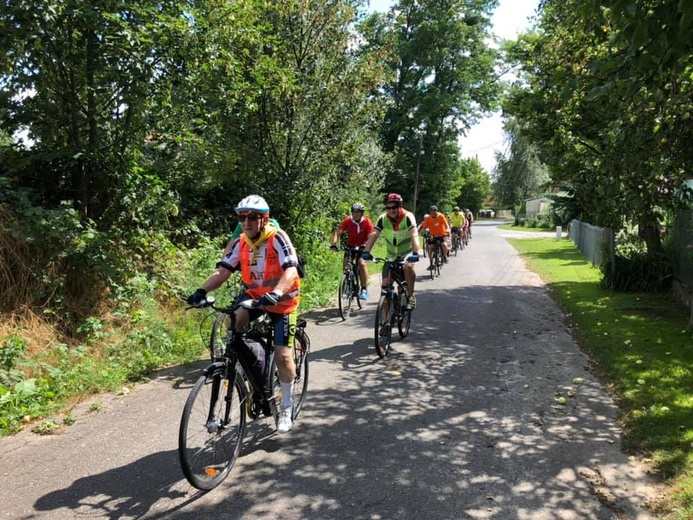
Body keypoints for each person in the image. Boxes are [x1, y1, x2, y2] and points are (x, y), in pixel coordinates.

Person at [187, 195, 301, 434]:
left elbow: (291, 269)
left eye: (252, 217)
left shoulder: (277, 238)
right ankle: (247, 364)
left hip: (282, 302)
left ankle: (287, 407)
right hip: (255, 296)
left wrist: (278, 292)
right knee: (234, 320)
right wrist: (201, 290)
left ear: (264, 219)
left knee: (283, 357)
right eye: (242, 217)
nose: (246, 222)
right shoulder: (241, 243)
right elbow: (223, 271)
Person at [361, 193, 420, 310]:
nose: (391, 210)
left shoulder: (408, 217)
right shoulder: (383, 218)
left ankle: (411, 295)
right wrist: (366, 251)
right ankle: (386, 324)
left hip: (406, 253)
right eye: (388, 208)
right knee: (385, 291)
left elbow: (414, 235)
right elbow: (374, 235)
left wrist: (415, 253)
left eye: (394, 207)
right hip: (391, 256)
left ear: (400, 206)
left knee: (408, 267)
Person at [330, 202, 375, 300]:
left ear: (362, 213)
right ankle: (348, 286)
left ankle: (363, 289)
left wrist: (368, 248)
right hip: (350, 246)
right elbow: (338, 233)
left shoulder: (367, 222)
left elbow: (372, 236)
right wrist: (334, 244)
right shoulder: (348, 221)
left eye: (358, 212)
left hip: (362, 247)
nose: (356, 214)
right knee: (346, 266)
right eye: (354, 212)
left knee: (362, 264)